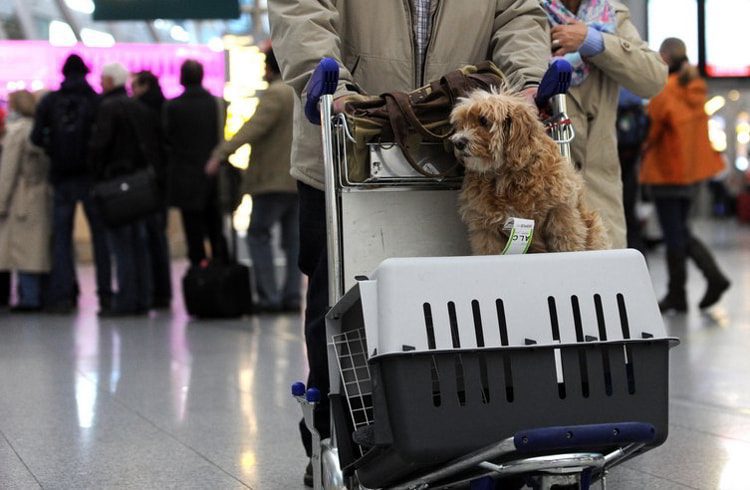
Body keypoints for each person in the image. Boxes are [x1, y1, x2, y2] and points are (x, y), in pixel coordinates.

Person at [268, 0, 551, 484]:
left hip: (455, 151)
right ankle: (341, 438)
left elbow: (519, 15)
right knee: (340, 307)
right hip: (344, 148)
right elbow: (302, 13)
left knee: (461, 306)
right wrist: (330, 84)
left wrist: (526, 82)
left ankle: (461, 437)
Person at [540, 0, 667, 248]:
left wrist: (593, 41)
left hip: (599, 187)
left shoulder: (610, 14)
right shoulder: (526, 10)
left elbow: (653, 78)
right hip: (541, 185)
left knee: (605, 278)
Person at [206, 48, 300, 313]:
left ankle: (269, 297)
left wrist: (220, 153)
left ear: (270, 67)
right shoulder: (299, 91)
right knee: (293, 241)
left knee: (258, 234)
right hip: (297, 180)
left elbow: (253, 128)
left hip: (271, 181)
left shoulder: (276, 93)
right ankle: (292, 296)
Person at [640, 37, 731, 313]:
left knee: (674, 235)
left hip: (666, 173)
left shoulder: (664, 91)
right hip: (691, 173)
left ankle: (681, 292)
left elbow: (650, 134)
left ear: (665, 58)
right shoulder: (696, 89)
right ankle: (710, 279)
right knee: (681, 230)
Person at [31, 53, 113, 314]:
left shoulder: (50, 101)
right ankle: (105, 295)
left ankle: (64, 295)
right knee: (101, 238)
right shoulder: (96, 101)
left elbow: (36, 137)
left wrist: (53, 149)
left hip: (62, 177)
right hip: (91, 178)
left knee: (62, 239)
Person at [88, 63, 157, 316]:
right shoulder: (137, 106)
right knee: (139, 242)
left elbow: (100, 146)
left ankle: (126, 299)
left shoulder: (108, 108)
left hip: (116, 185)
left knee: (121, 244)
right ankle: (143, 297)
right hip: (139, 183)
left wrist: (96, 174)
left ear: (109, 80)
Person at [164, 60, 229, 267]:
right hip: (213, 177)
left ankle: (199, 276)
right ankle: (221, 273)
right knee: (216, 231)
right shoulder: (217, 104)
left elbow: (167, 140)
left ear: (181, 77)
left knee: (193, 233)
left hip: (185, 178)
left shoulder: (172, 107)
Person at [0, 90, 52, 312]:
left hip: (20, 196)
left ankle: (27, 299)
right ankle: (39, 296)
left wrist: (1, 201)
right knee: (37, 250)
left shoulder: (16, 132)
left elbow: (8, 171)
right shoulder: (43, 129)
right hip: (43, 193)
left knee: (19, 252)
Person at [132, 71, 172, 309]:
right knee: (159, 237)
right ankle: (163, 292)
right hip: (163, 180)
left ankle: (148, 292)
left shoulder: (138, 110)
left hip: (145, 180)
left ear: (144, 85)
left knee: (145, 238)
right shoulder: (166, 106)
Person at [616, 87, 649, 254]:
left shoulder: (613, 93)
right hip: (631, 159)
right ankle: (640, 263)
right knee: (629, 214)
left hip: (613, 159)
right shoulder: (635, 96)